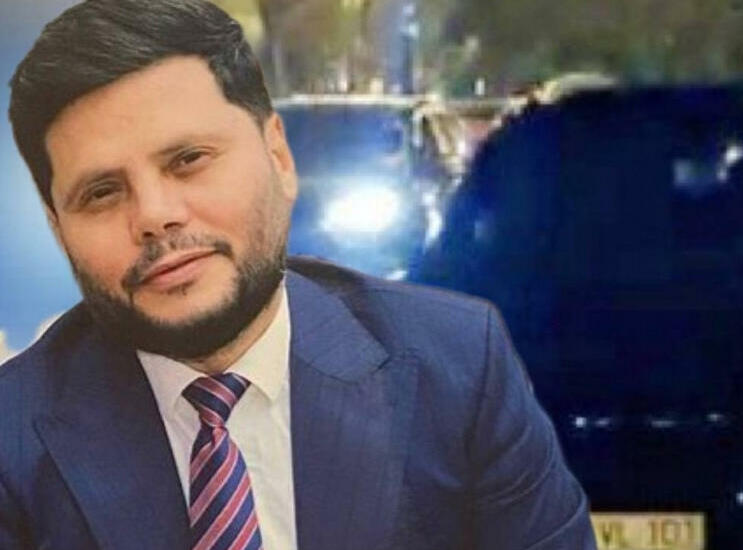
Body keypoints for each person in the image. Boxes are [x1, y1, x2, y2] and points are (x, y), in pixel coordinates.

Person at [0, 1, 596, 549]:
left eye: (188, 160)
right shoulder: (14, 441)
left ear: (279, 159)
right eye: (102, 193)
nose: (155, 215)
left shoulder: (456, 370)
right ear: (58, 228)